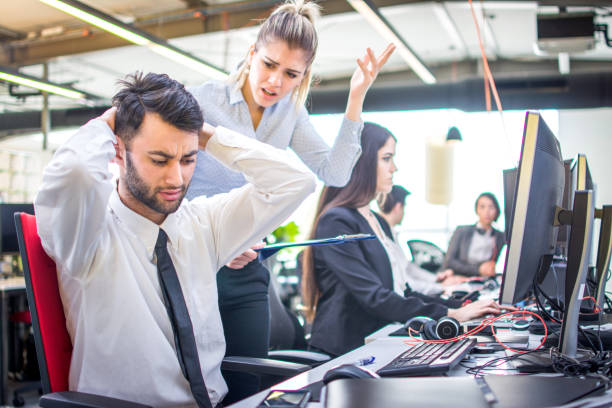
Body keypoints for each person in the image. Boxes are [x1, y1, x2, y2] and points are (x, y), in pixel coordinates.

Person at [34, 72, 315, 407]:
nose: (175, 178)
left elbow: (296, 182)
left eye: (188, 159)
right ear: (119, 152)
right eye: (159, 159)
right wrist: (110, 122)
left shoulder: (203, 222)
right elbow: (76, 171)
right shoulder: (88, 234)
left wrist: (207, 136)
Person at [186, 0, 395, 372]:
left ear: (305, 75)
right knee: (195, 382)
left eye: (291, 74)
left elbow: (334, 173)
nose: (275, 82)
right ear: (252, 53)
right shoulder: (202, 101)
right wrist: (216, 238)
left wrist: (356, 97)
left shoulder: (291, 114)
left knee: (248, 381)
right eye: (268, 64)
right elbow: (170, 190)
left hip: (248, 271)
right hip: (194, 264)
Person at [301, 123, 506, 357]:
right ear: (363, 162)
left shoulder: (376, 221)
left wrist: (464, 307)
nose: (394, 168)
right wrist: (450, 315)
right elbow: (375, 297)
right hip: (345, 352)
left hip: (378, 341)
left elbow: (403, 292)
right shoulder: (336, 221)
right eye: (387, 158)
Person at [376, 185, 466, 296]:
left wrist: (436, 278)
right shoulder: (383, 238)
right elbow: (407, 283)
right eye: (405, 207)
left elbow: (408, 267)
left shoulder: (390, 232)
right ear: (398, 207)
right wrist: (441, 287)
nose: (404, 213)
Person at [440, 192, 506, 279]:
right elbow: (449, 262)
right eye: (482, 207)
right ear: (477, 210)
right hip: (460, 278)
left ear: (497, 211)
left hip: (485, 280)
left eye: (491, 207)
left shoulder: (499, 236)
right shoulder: (462, 231)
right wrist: (478, 269)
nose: (487, 212)